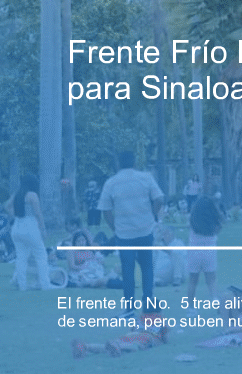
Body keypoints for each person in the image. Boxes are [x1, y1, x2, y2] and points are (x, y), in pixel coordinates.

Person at [98, 151, 164, 308]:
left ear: (118, 164)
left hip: (124, 234)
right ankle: (148, 302)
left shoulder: (111, 183)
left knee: (127, 270)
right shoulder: (146, 178)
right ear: (134, 163)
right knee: (147, 267)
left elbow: (105, 209)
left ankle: (129, 307)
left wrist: (114, 227)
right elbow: (159, 199)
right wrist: (152, 214)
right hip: (144, 230)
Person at [6, 174, 52, 290]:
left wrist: (15, 215)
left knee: (21, 257)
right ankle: (45, 284)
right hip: (30, 226)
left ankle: (22, 285)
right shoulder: (32, 195)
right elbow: (38, 213)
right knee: (41, 255)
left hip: (17, 226)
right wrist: (43, 229)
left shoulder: (16, 194)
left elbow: (7, 206)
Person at [72, 311, 169, 358]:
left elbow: (132, 329)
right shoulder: (161, 318)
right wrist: (162, 341)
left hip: (132, 334)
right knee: (136, 345)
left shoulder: (141, 316)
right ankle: (118, 348)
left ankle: (85, 346)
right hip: (148, 336)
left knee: (110, 345)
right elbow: (164, 336)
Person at [186, 195, 223, 303]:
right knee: (211, 280)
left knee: (192, 281)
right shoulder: (213, 221)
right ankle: (215, 301)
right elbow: (219, 228)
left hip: (194, 251)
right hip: (209, 251)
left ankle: (191, 308)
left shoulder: (193, 219)